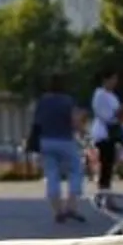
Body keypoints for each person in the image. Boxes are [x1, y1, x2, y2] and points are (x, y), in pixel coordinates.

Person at [28, 74, 86, 224]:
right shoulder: (67, 101)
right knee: (76, 170)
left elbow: (36, 121)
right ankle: (71, 205)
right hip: (65, 140)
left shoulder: (43, 101)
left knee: (52, 174)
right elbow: (74, 121)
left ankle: (58, 210)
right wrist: (82, 132)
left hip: (46, 141)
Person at [88, 69, 123, 193]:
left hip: (112, 132)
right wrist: (116, 115)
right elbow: (103, 114)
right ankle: (103, 193)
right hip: (104, 133)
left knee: (109, 165)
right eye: (112, 79)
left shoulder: (112, 96)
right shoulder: (100, 94)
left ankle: (107, 192)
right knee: (105, 165)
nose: (114, 82)